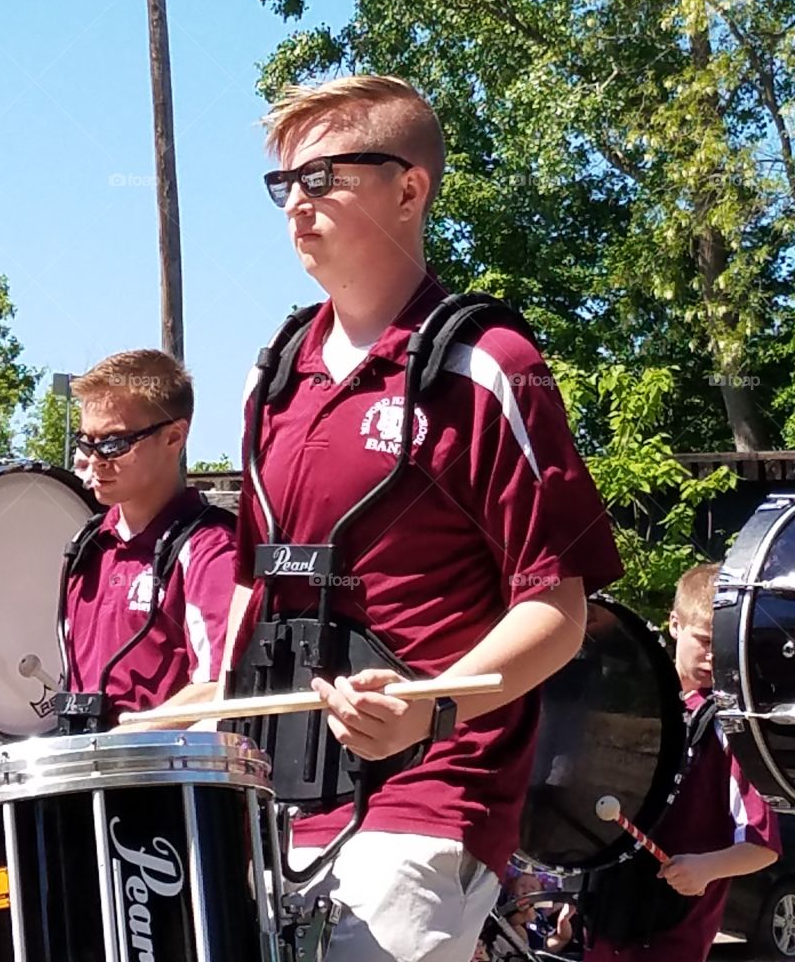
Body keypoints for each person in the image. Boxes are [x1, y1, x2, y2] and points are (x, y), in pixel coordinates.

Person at [218, 75, 624, 962]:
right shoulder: (271, 381)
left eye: (324, 177)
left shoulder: (489, 366)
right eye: (285, 184)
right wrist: (210, 732)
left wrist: (427, 709)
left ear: (410, 187)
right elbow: (257, 595)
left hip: (430, 794)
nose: (297, 206)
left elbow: (559, 611)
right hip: (273, 792)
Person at [583, 562, 781, 962]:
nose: (713, 656)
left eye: (723, 644)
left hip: (673, 930)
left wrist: (707, 868)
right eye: (705, 640)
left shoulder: (732, 727)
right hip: (606, 913)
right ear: (675, 624)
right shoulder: (632, 704)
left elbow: (763, 846)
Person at [62, 348, 238, 727]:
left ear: (174, 437)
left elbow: (220, 687)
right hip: (90, 773)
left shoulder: (210, 546)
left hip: (166, 776)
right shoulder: (88, 545)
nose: (95, 460)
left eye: (113, 443)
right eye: (86, 442)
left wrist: (124, 740)